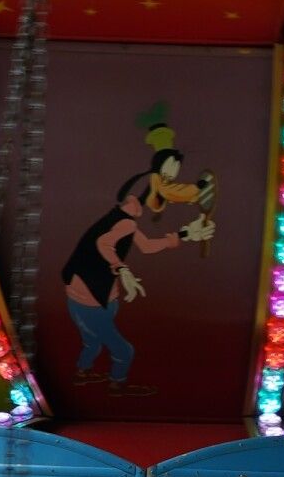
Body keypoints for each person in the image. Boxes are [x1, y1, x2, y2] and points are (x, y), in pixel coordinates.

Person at [60, 157, 214, 385]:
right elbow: (104, 243)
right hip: (90, 299)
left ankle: (82, 373)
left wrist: (184, 235)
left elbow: (147, 246)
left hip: (86, 294)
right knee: (124, 351)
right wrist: (123, 269)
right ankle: (117, 384)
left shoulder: (121, 218)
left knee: (92, 342)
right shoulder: (126, 222)